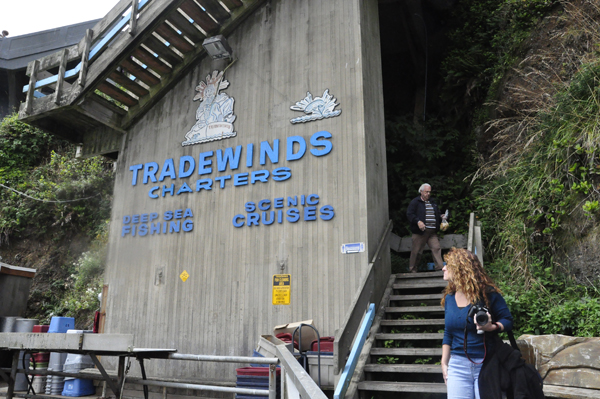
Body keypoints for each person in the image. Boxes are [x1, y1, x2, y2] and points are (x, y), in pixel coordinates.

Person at [441, 248, 514, 399]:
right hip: (457, 365)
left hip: (487, 364)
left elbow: (507, 320)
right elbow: (448, 333)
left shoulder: (488, 294)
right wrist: (444, 362)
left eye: (447, 264)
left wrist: (492, 327)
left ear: (460, 268)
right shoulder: (449, 298)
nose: (443, 268)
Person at [406, 183, 445, 272]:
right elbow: (410, 214)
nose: (428, 194)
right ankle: (413, 269)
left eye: (429, 192)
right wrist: (418, 221)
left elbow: (437, 213)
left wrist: (441, 216)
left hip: (432, 231)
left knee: (436, 248)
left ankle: (439, 268)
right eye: (426, 192)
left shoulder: (432, 202)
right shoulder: (415, 202)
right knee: (417, 250)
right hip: (420, 231)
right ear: (421, 192)